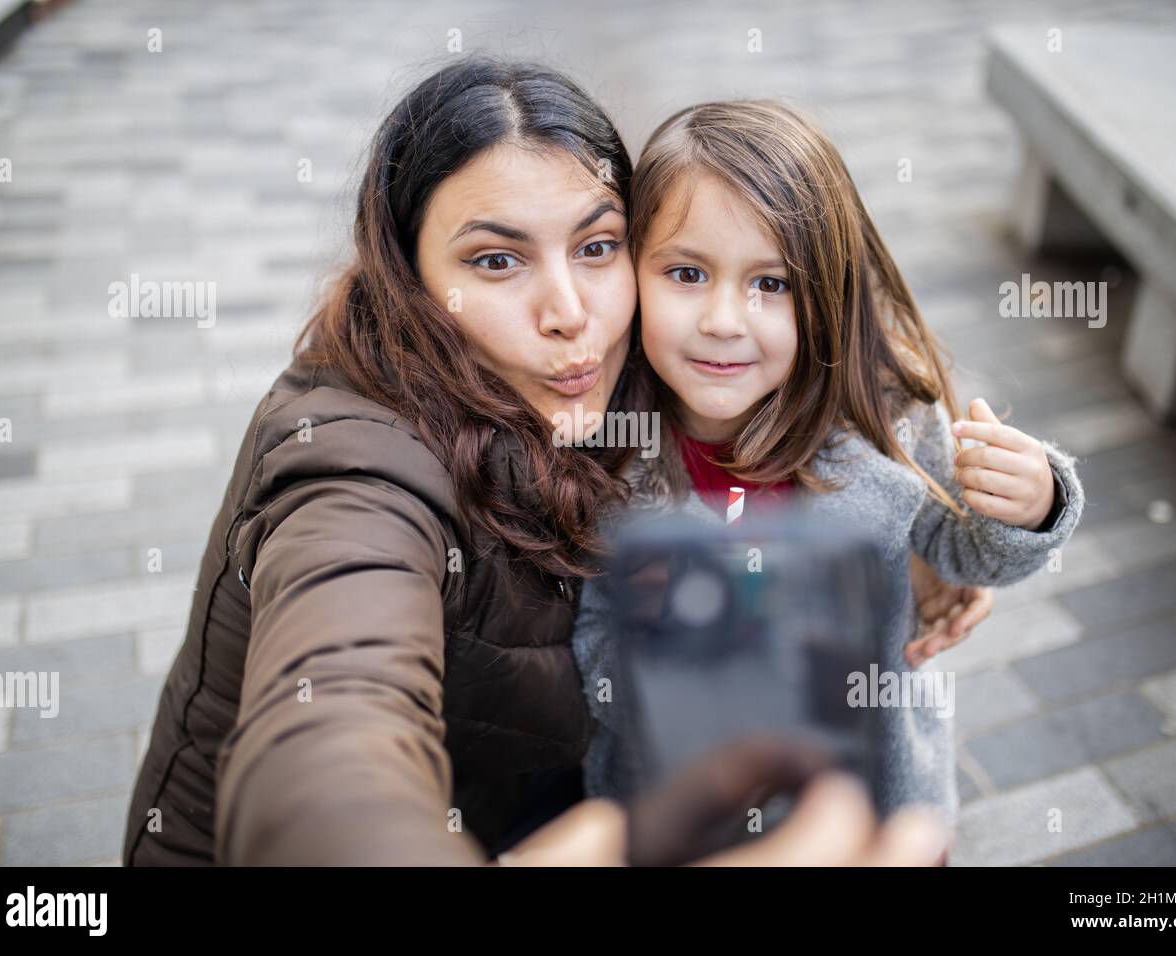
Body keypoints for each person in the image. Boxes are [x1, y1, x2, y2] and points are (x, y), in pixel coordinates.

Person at [123, 58, 979, 867]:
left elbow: (803, 338)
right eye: (496, 261)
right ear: (409, 278)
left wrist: (913, 538)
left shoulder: (625, 367)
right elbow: (324, 752)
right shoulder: (357, 470)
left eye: (598, 246)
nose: (570, 313)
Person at [573, 100, 1086, 837]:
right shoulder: (609, 455)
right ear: (632, 273)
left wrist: (1030, 505)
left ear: (827, 294)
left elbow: (966, 551)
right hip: (688, 818)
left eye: (771, 284)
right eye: (687, 272)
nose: (724, 318)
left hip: (871, 806)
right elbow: (592, 643)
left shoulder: (883, 419)